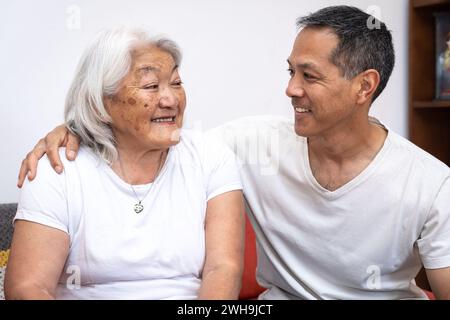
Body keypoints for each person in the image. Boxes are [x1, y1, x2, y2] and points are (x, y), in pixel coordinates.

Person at [16, 6, 450, 300]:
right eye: (290, 71)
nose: (290, 89)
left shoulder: (429, 183)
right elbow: (145, 134)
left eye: (309, 76)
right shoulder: (248, 144)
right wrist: (76, 125)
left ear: (364, 86)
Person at [5, 27, 245, 299]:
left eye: (176, 83)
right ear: (100, 105)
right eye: (151, 86)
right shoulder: (57, 170)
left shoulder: (210, 156)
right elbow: (28, 287)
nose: (171, 100)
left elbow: (222, 268)